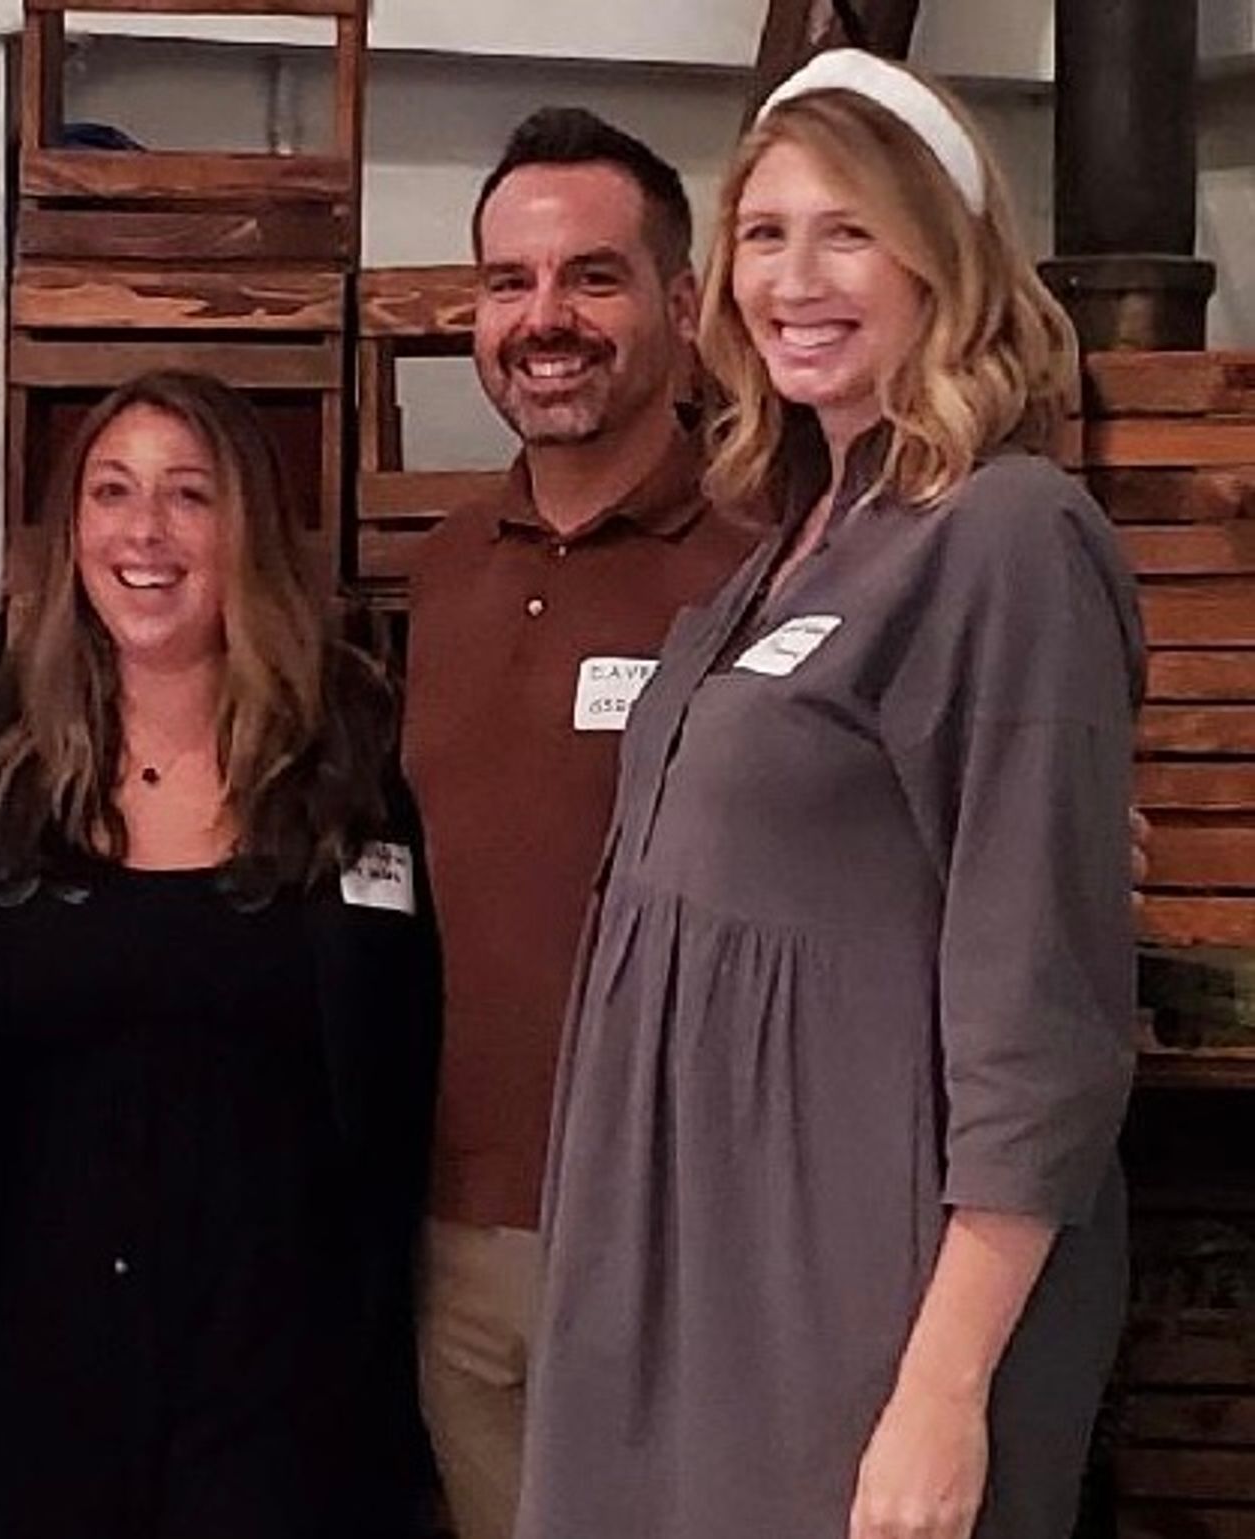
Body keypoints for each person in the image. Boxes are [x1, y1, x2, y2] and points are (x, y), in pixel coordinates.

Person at [518, 50, 1142, 1539]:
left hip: (860, 1292)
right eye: (765, 232)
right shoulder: (796, 540)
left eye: (847, 231)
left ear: (943, 258)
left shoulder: (1005, 538)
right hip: (696, 1271)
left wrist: (941, 1393)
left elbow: (1042, 1012)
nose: (794, 279)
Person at [0, 370, 438, 1539]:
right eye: (112, 492)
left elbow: (407, 1051)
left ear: (247, 527)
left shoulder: (353, 755)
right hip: (36, 1374)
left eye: (188, 495)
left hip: (287, 1376)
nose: (144, 533)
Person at [403, 108, 759, 1539]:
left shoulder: (768, 565)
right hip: (456, 1239)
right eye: (510, 282)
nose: (544, 319)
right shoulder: (443, 573)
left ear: (683, 303)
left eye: (592, 278)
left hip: (689, 1238)